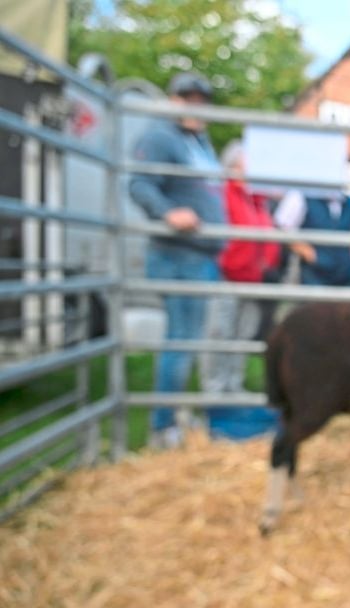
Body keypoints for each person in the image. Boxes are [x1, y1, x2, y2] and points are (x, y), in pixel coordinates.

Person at [128, 71, 224, 450]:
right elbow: (138, 184)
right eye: (187, 98)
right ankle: (163, 425)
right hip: (177, 253)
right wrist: (168, 213)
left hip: (200, 255)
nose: (195, 105)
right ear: (173, 99)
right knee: (180, 341)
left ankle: (178, 413)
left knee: (189, 340)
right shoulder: (160, 136)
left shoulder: (198, 141)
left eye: (201, 99)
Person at [206, 140, 282, 394]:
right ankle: (215, 387)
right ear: (233, 167)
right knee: (221, 333)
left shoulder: (257, 199)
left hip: (253, 277)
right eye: (248, 164)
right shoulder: (224, 194)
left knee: (242, 334)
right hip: (228, 275)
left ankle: (233, 384)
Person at [273, 190, 350, 286]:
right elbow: (282, 227)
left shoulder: (348, 201)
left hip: (344, 275)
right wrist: (309, 253)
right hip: (313, 275)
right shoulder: (302, 195)